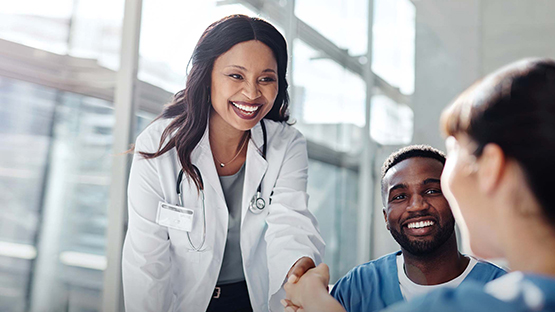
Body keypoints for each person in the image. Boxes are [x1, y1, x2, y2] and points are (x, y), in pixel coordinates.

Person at [283, 58, 555, 312]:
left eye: (455, 149)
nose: (418, 204)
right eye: (400, 196)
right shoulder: (359, 284)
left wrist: (313, 298)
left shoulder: (467, 304)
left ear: (491, 168)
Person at [122, 15, 325, 312]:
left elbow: (290, 222)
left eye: (266, 79)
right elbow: (146, 261)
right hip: (187, 302)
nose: (252, 93)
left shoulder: (286, 144)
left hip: (252, 300)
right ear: (207, 76)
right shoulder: (158, 145)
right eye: (236, 76)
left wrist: (298, 267)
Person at [329, 145, 505, 312]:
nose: (416, 206)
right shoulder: (357, 287)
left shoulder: (500, 289)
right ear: (386, 218)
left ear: (455, 202)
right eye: (400, 196)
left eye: (431, 191)